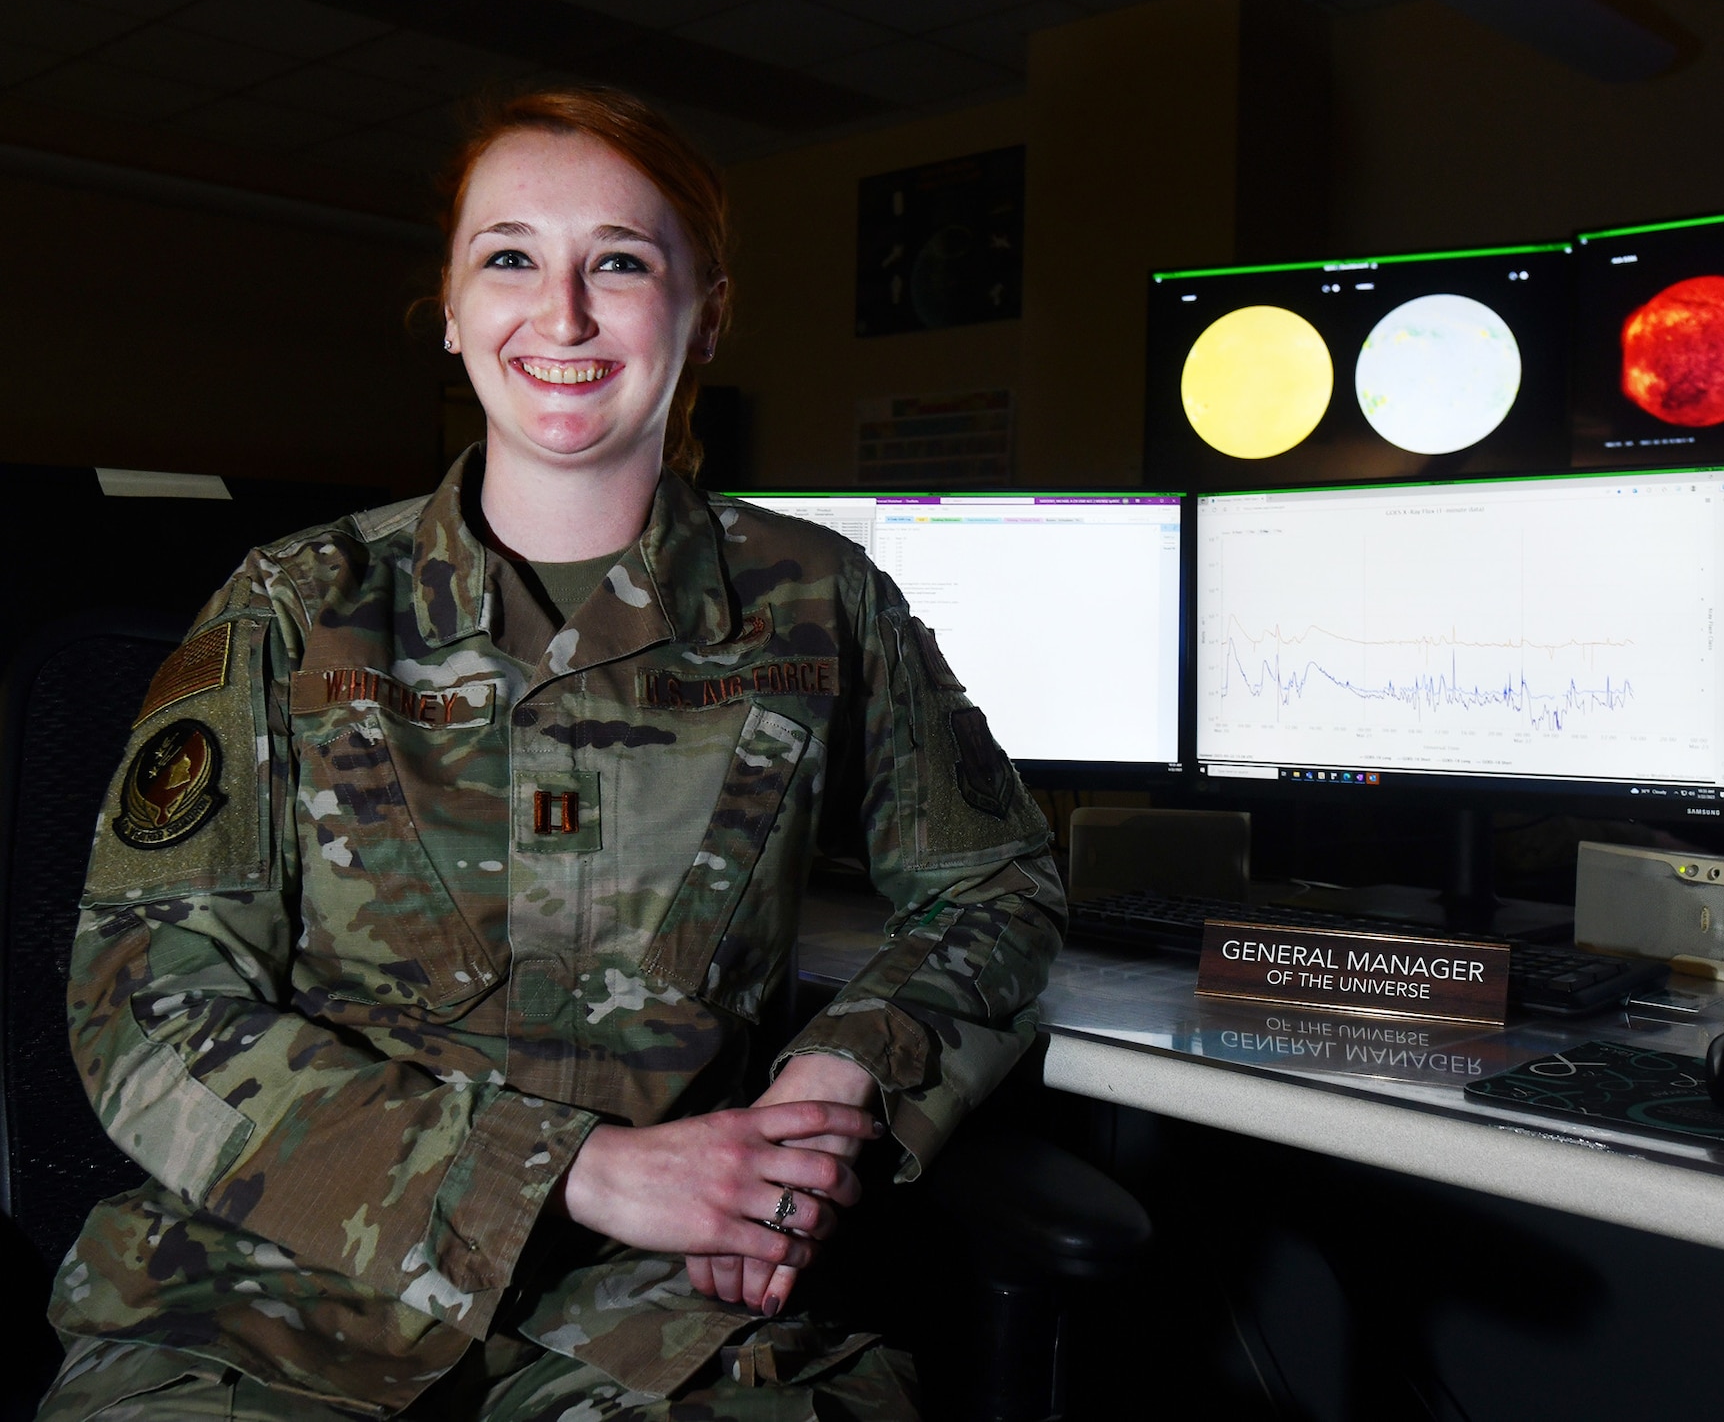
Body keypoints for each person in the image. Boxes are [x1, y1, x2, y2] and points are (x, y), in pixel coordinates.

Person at [39, 85, 1064, 1421]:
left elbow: (1000, 886)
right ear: (455, 311)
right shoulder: (295, 604)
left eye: (621, 264)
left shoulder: (819, 604)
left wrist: (840, 1076)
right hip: (270, 1290)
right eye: (510, 257)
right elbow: (143, 1000)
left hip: (666, 1304)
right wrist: (572, 1170)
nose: (564, 315)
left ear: (699, 311)